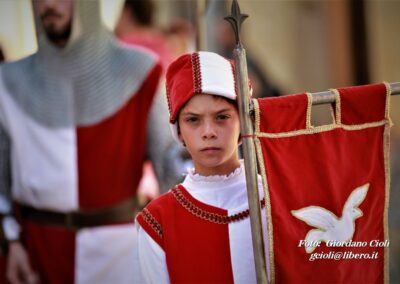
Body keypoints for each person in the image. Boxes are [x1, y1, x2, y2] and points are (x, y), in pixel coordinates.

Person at [0, 0, 180, 283]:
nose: (48, 4)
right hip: (37, 256)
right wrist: (8, 243)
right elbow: (1, 183)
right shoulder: (8, 84)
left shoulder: (140, 73)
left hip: (119, 257)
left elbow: (172, 171)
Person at [135, 51, 269, 283]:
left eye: (222, 117)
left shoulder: (274, 199)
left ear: (243, 121)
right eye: (193, 120)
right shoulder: (157, 222)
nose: (208, 132)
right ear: (179, 130)